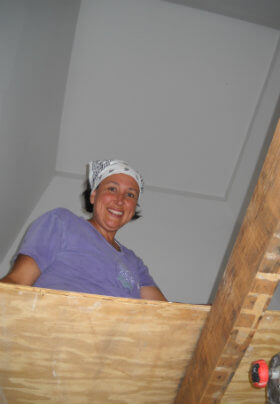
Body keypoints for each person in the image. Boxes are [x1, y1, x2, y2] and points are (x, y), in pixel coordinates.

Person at [0, 160, 167, 301]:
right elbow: (17, 281)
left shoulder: (134, 263)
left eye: (130, 195)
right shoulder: (62, 222)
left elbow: (168, 313)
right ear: (93, 196)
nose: (120, 200)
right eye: (112, 189)